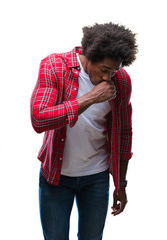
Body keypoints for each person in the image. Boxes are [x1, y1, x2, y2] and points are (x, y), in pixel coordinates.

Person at [30, 22, 138, 240]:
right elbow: (38, 119)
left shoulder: (121, 81)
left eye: (114, 70)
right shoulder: (54, 66)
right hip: (55, 177)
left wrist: (121, 183)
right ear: (89, 55)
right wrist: (89, 99)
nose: (109, 78)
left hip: (96, 177)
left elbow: (124, 134)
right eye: (104, 70)